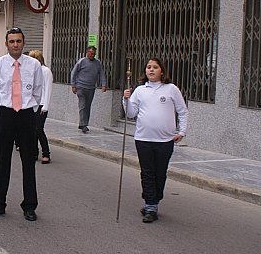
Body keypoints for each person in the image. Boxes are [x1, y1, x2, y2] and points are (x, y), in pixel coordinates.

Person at [0, 27, 43, 222]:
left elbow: (37, 91)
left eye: (18, 41)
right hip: (5, 114)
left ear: (23, 43)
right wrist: (2, 113)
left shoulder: (34, 65)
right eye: (12, 41)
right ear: (6, 44)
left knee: (28, 161)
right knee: (3, 160)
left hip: (26, 115)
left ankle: (29, 206)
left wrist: (30, 110)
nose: (15, 45)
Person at [123, 58, 188, 223]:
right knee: (147, 173)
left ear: (162, 71)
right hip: (143, 138)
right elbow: (131, 113)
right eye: (148, 67)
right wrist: (126, 100)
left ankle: (154, 200)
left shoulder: (171, 89)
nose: (151, 70)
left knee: (160, 173)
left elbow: (182, 111)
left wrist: (182, 131)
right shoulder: (139, 90)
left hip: (165, 140)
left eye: (155, 67)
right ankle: (151, 205)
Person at [70, 46, 107, 133]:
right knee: (82, 106)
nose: (92, 55)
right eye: (90, 53)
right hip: (81, 87)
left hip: (91, 88)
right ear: (87, 53)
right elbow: (73, 73)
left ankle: (82, 123)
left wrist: (103, 85)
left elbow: (101, 74)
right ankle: (84, 125)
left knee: (87, 106)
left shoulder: (97, 63)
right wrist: (73, 85)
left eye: (93, 54)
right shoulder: (81, 62)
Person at [28, 50, 54, 164]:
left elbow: (47, 89)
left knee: (39, 129)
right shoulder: (31, 71)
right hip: (32, 104)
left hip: (42, 104)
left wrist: (45, 107)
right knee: (31, 130)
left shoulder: (46, 71)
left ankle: (46, 153)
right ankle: (34, 152)